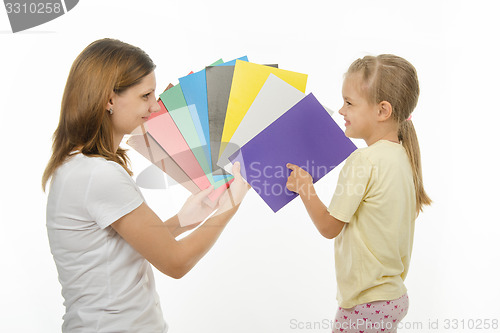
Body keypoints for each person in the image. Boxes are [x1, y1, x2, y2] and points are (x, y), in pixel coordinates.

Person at [42, 38, 249, 333]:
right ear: (109, 99)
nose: (155, 106)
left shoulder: (79, 165)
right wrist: (229, 208)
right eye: (146, 95)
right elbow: (176, 263)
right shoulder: (99, 175)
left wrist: (181, 221)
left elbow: (115, 252)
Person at [286, 54, 431, 333]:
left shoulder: (364, 161)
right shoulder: (402, 155)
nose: (341, 111)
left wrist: (306, 188)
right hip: (391, 297)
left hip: (366, 305)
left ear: (382, 111)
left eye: (349, 103)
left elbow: (329, 227)